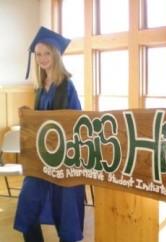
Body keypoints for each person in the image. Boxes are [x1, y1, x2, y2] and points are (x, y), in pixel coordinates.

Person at [14, 26, 85, 242]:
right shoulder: (39, 87)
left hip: (65, 159)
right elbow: (43, 122)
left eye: (47, 53)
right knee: (27, 203)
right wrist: (30, 114)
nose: (42, 58)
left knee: (66, 215)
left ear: (55, 54)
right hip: (42, 158)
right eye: (38, 54)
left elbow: (75, 122)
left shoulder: (66, 86)